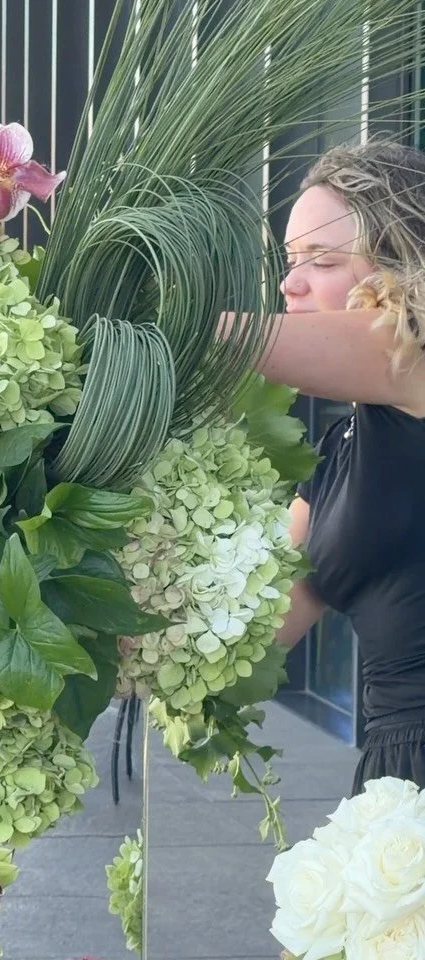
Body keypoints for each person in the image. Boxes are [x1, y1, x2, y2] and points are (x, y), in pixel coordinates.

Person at [261, 139, 425, 796]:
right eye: (289, 260)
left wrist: (132, 339)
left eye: (323, 261)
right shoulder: (338, 451)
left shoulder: (417, 365)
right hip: (392, 778)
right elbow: (262, 628)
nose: (290, 283)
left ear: (401, 272)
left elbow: (233, 345)